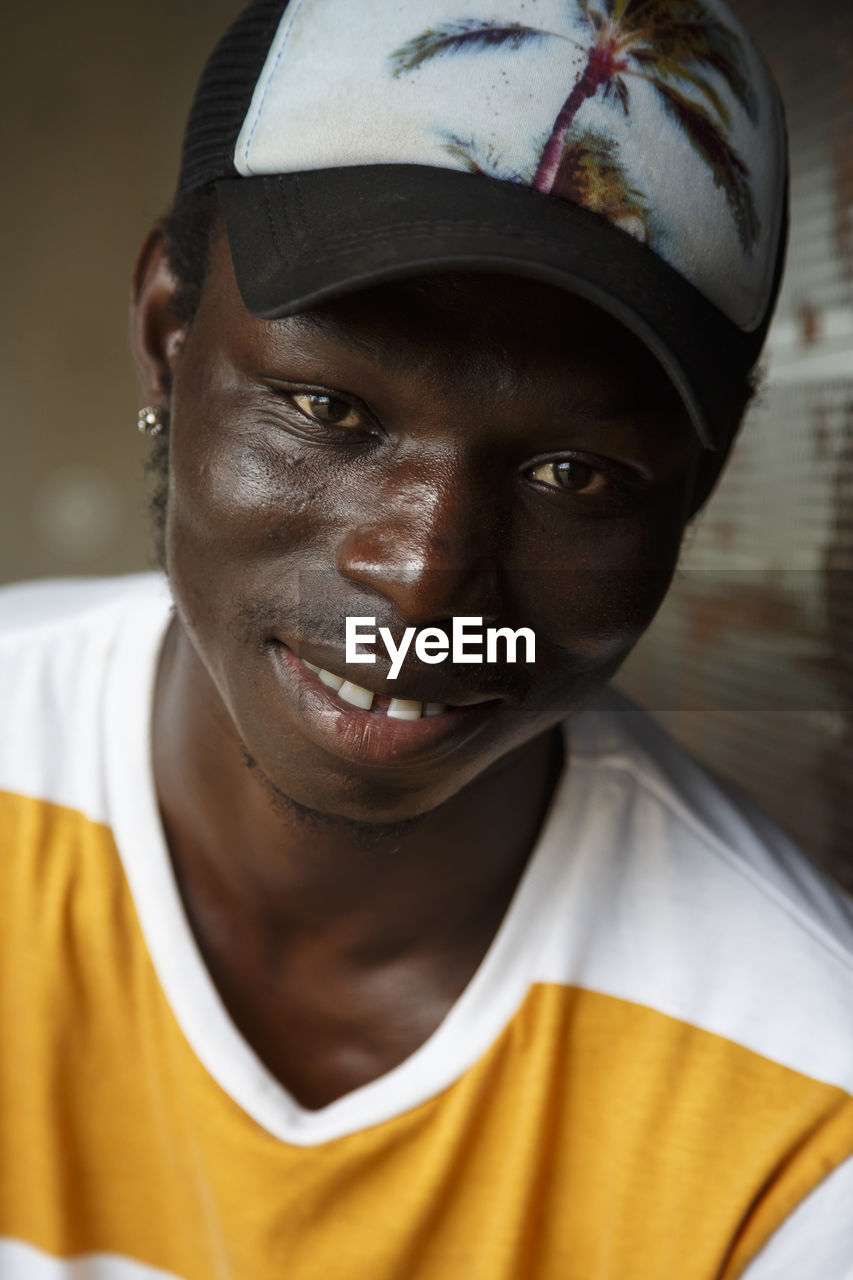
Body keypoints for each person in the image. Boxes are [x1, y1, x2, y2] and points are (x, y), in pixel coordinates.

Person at [1, 0, 852, 1276]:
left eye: (575, 472)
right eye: (327, 405)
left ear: (696, 488)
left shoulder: (800, 1116)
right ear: (169, 337)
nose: (422, 580)